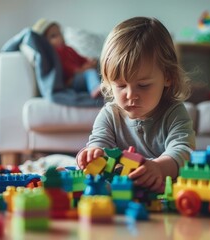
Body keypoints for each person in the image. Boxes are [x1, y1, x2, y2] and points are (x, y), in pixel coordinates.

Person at [76, 17, 196, 192]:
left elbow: (184, 151)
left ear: (168, 77)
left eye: (143, 85)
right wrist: (91, 154)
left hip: (162, 192)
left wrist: (159, 168)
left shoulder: (174, 112)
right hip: (119, 193)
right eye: (121, 85)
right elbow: (98, 144)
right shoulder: (110, 114)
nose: (131, 95)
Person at [32, 18, 101, 98]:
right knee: (90, 73)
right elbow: (67, 68)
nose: (60, 37)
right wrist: (83, 69)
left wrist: (89, 61)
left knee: (99, 68)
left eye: (60, 34)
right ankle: (95, 88)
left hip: (82, 74)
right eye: (53, 36)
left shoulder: (69, 49)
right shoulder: (55, 54)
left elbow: (81, 58)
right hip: (72, 80)